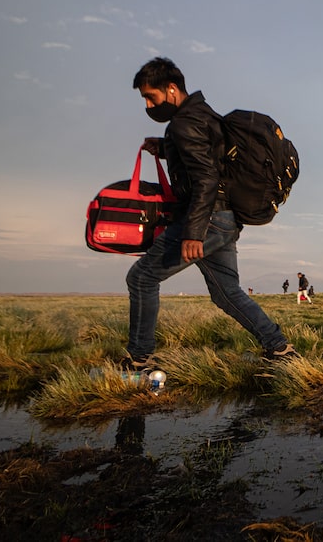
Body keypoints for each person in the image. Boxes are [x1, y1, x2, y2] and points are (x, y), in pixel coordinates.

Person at [122, 57, 297, 367]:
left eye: (152, 97)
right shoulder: (203, 114)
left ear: (172, 89)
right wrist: (165, 147)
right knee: (226, 292)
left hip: (207, 220)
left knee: (142, 278)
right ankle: (280, 349)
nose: (149, 105)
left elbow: (206, 177)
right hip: (226, 218)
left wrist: (193, 233)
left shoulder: (183, 123)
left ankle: (139, 359)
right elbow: (211, 156)